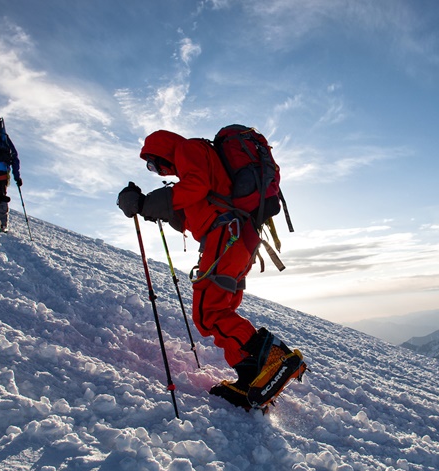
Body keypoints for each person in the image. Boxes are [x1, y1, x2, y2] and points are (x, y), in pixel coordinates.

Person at [116, 129, 305, 411]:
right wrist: (153, 208)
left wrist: (144, 202)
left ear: (161, 151)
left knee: (209, 312)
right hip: (241, 238)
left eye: (153, 164)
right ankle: (252, 376)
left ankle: (276, 357)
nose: (157, 172)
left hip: (226, 236)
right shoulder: (202, 159)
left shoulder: (187, 149)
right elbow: (196, 208)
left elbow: (196, 187)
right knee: (221, 309)